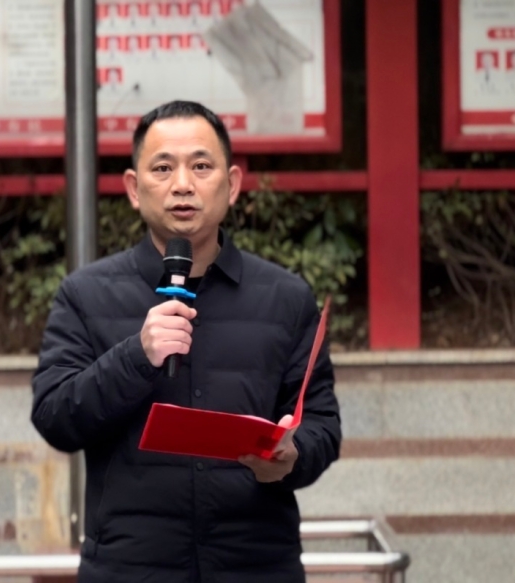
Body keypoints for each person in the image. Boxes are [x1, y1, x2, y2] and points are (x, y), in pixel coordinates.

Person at [31, 100, 342, 583]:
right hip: (130, 571)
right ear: (133, 188)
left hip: (256, 567)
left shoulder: (285, 298)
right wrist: (136, 356)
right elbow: (54, 416)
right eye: (162, 168)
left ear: (232, 185)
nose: (182, 184)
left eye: (200, 166)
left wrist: (292, 455)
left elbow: (323, 423)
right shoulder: (86, 295)